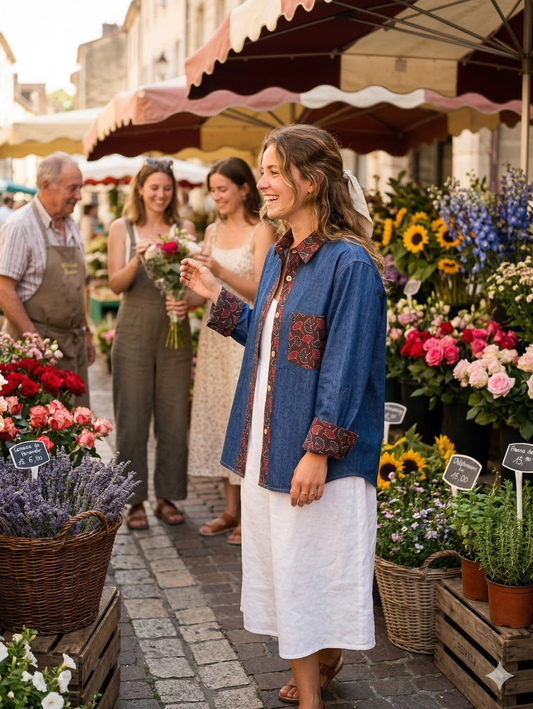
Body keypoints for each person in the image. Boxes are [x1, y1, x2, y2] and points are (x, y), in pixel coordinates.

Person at [180, 124, 386, 709]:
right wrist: (212, 299)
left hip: (316, 452)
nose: (263, 183)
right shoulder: (278, 259)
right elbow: (270, 341)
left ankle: (313, 691)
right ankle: (317, 664)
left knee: (308, 573)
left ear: (312, 181)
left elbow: (344, 366)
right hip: (271, 446)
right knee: (290, 570)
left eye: (273, 172)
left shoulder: (350, 267)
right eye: (262, 170)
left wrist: (318, 450)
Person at [187, 157, 276, 545]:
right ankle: (229, 509)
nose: (217, 196)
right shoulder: (210, 230)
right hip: (214, 339)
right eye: (212, 190)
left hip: (246, 335)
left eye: (222, 188)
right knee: (223, 414)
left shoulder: (263, 231)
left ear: (244, 188)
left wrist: (219, 271)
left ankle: (250, 513)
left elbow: (262, 290)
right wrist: (184, 298)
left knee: (246, 416)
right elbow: (204, 293)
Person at [107, 158, 196, 531]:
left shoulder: (185, 228)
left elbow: (196, 288)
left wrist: (186, 300)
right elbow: (116, 284)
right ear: (140, 189)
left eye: (166, 187)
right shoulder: (121, 228)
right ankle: (135, 501)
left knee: (175, 417)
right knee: (132, 418)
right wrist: (137, 257)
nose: (160, 194)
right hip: (133, 332)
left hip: (175, 329)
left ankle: (168, 495)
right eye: (153, 187)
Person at [0, 153, 95, 406]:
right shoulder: (20, 225)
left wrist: (85, 333)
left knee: (76, 431)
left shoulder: (72, 224)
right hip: (36, 356)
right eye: (72, 188)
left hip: (72, 346)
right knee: (44, 435)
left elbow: (76, 287)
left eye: (80, 187)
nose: (79, 196)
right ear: (46, 186)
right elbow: (4, 289)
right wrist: (35, 343)